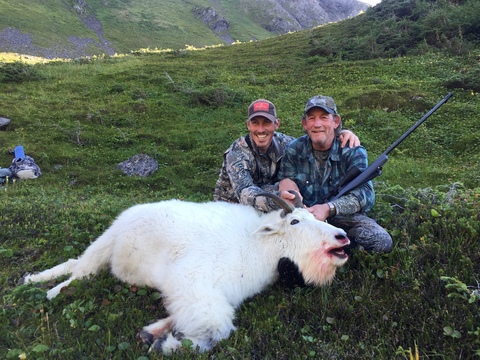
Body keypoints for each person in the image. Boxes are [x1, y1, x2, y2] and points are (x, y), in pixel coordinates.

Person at [278, 95, 393, 254]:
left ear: (336, 121)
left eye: (324, 118)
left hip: (343, 217)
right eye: (311, 118)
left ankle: (344, 253)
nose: (317, 124)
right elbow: (285, 178)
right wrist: (294, 199)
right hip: (306, 217)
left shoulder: (353, 151)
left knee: (381, 240)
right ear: (305, 124)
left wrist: (329, 208)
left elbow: (365, 196)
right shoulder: (294, 149)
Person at [213, 99, 360, 212]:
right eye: (255, 123)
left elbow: (312, 139)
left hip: (271, 204)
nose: (261, 129)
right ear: (248, 125)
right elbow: (244, 193)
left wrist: (341, 133)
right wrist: (278, 200)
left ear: (276, 124)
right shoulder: (237, 153)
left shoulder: (286, 143)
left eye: (267, 123)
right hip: (233, 208)